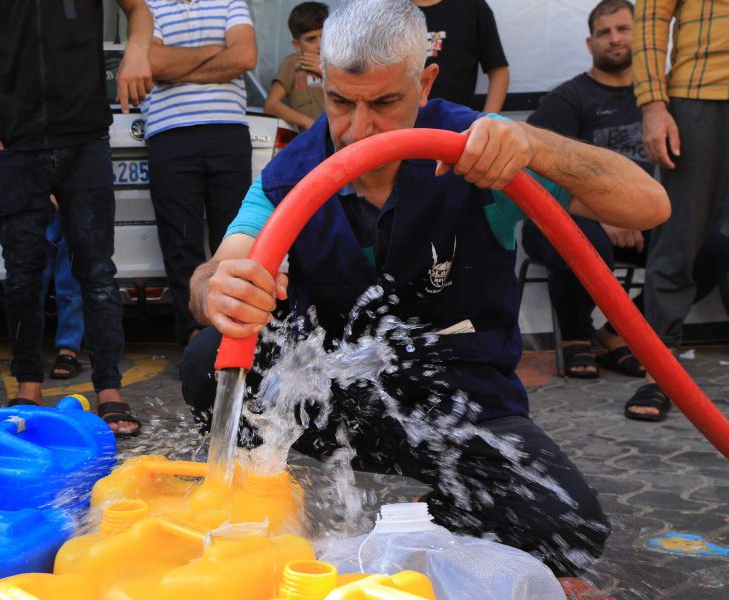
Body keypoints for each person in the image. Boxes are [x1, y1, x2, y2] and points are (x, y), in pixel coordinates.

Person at [182, 0, 670, 576]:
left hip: (456, 396)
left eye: (385, 102)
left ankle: (417, 521)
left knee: (568, 526)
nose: (360, 128)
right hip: (336, 392)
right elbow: (216, 272)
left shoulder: (481, 150)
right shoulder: (294, 169)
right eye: (341, 101)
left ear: (426, 82)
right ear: (322, 82)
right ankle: (276, 489)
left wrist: (537, 144)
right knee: (205, 358)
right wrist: (217, 289)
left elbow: (648, 207)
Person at [0, 0, 153, 436]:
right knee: (22, 273)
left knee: (96, 270)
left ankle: (109, 392)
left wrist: (137, 52)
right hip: (13, 140)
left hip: (84, 138)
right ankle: (28, 387)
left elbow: (139, 10)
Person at [521, 0, 729, 382]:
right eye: (604, 32)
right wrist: (601, 212)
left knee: (710, 249)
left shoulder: (665, 107)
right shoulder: (567, 100)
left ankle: (618, 333)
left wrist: (631, 212)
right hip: (568, 219)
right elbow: (529, 175)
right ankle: (575, 336)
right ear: (590, 44)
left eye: (623, 29)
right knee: (585, 240)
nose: (614, 39)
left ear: (642, 39)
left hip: (639, 219)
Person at [625, 0, 729, 421]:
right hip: (699, 93)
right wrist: (653, 104)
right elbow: (651, 19)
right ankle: (658, 373)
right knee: (677, 239)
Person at [145, 0, 257, 345]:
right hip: (170, 134)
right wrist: (216, 52)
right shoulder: (147, 6)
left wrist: (178, 66)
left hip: (227, 132)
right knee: (181, 241)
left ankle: (235, 332)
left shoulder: (230, 1)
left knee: (235, 237)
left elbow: (244, 57)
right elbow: (154, 62)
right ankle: (194, 332)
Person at [411, 0, 509, 113]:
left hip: (459, 124)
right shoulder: (389, 8)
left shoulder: (473, 6)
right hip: (400, 126)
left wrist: (487, 119)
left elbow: (499, 72)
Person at [264, 2, 329, 131]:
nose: (320, 44)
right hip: (311, 140)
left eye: (324, 35)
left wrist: (323, 70)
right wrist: (308, 123)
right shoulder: (294, 63)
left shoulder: (339, 62)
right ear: (297, 45)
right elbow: (271, 105)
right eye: (311, 39)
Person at [43, 203, 85, 380]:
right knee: (28, 283)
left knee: (70, 281)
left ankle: (68, 349)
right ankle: (26, 356)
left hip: (74, 196)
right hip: (34, 195)